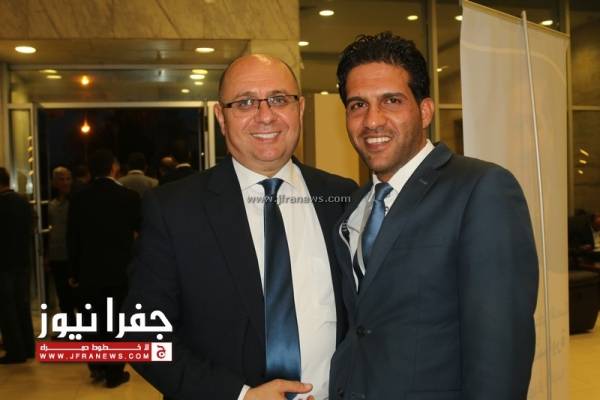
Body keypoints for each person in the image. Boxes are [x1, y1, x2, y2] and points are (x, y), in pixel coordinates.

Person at [123, 54, 357, 400]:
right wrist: (240, 396)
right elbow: (141, 337)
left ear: (300, 108)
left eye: (279, 99)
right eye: (245, 102)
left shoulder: (343, 198)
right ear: (221, 117)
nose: (265, 115)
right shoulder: (173, 210)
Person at [328, 32, 539, 400]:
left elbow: (501, 349)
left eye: (391, 101)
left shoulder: (481, 189)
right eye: (358, 105)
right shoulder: (357, 204)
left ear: (425, 111)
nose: (372, 121)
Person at [68, 149, 141, 388]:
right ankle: (114, 372)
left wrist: (73, 271)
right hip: (120, 270)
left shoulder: (79, 198)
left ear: (90, 171)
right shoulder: (129, 197)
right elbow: (140, 234)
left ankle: (97, 365)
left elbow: (73, 237)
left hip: (89, 270)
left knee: (92, 320)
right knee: (117, 321)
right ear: (114, 168)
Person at [0, 167, 35, 364]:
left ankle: (15, 350)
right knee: (22, 305)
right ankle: (28, 346)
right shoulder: (23, 202)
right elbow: (32, 226)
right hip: (22, 260)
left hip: (3, 263)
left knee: (7, 308)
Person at [48, 166, 76, 324]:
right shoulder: (51, 204)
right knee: (62, 295)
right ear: (54, 182)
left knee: (75, 295)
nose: (65, 183)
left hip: (71, 255)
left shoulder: (75, 203)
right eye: (61, 179)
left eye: (68, 179)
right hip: (57, 255)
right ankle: (68, 326)